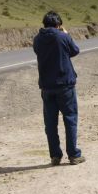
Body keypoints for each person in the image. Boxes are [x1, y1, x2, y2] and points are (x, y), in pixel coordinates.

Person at [33, 11, 85, 166]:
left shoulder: (37, 39)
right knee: (70, 119)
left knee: (50, 123)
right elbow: (75, 50)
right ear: (58, 24)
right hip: (65, 85)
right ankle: (73, 155)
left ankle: (55, 156)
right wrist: (67, 34)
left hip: (47, 87)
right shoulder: (63, 36)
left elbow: (39, 52)